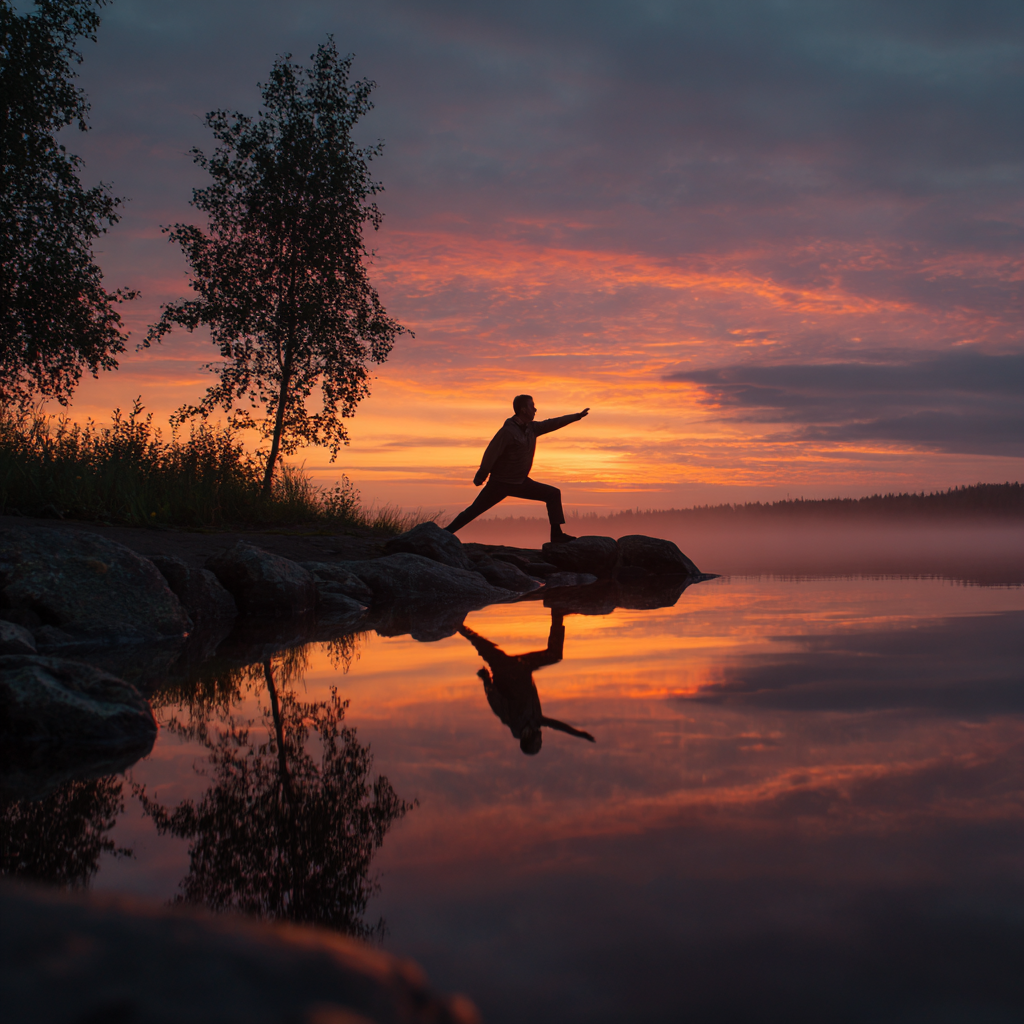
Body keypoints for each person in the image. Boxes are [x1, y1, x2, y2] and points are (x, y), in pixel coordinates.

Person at [445, 395, 590, 544]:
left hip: (520, 483)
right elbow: (491, 452)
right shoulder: (508, 431)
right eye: (531, 406)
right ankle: (443, 535)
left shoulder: (532, 428)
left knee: (553, 494)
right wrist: (481, 475)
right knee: (473, 511)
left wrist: (576, 416)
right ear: (523, 410)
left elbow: (552, 423)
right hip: (500, 483)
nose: (535, 409)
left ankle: (557, 535)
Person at [458, 609, 596, 755]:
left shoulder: (513, 721)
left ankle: (455, 624)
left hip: (505, 669)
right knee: (553, 655)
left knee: (477, 641)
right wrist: (579, 734)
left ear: (530, 740)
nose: (541, 739)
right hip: (522, 668)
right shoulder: (535, 722)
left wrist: (487, 680)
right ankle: (557, 612)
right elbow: (556, 725)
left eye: (539, 742)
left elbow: (495, 702)